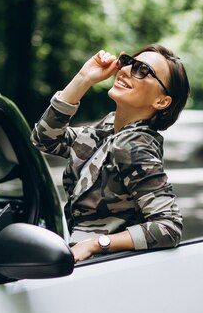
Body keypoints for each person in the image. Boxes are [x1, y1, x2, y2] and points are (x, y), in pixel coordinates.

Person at [31, 44, 190, 262]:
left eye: (143, 70)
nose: (125, 70)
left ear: (161, 101)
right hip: (88, 265)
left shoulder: (135, 144)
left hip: (108, 267)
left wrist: (97, 244)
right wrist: (84, 78)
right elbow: (44, 138)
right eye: (128, 62)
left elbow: (168, 227)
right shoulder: (106, 130)